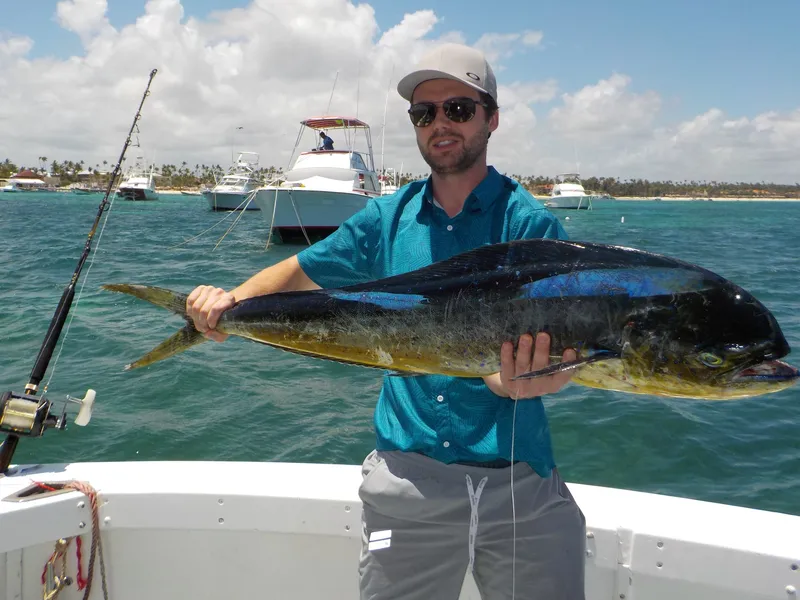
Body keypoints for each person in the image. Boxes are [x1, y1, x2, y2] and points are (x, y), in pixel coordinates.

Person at [186, 42, 586, 600]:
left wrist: (531, 380)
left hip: (518, 482)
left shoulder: (532, 228)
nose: (439, 124)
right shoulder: (385, 217)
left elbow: (560, 360)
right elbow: (301, 271)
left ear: (491, 118)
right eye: (424, 114)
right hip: (406, 481)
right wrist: (225, 306)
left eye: (459, 109)